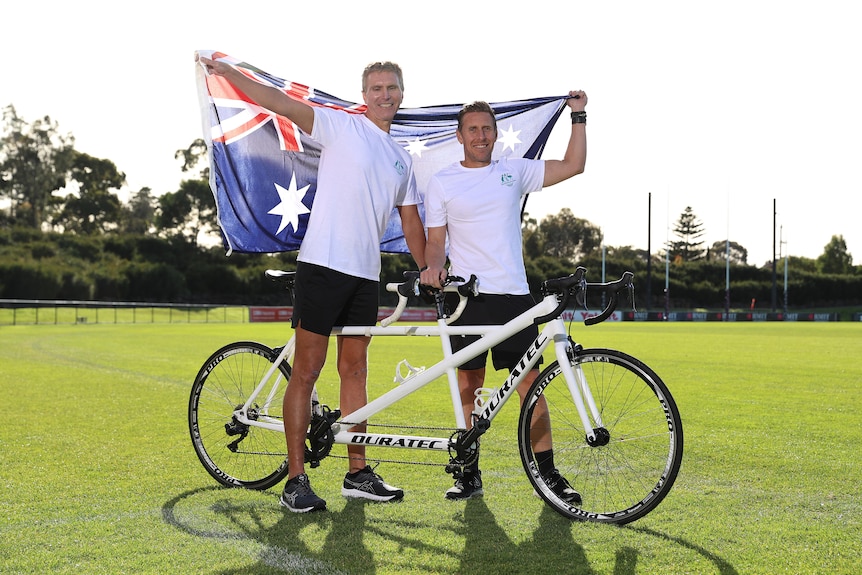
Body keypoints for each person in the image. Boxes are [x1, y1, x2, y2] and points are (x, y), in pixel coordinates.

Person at [199, 55, 427, 512]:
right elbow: (280, 103)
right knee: (307, 370)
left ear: (402, 93)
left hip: (366, 274)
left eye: (392, 88)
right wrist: (231, 75)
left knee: (356, 372)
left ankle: (357, 472)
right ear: (365, 95)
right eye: (377, 88)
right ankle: (295, 480)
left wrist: (431, 270)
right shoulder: (342, 127)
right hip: (322, 265)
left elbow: (410, 220)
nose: (385, 95)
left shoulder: (402, 159)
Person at [419, 93, 588, 501]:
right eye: (472, 129)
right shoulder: (442, 182)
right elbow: (435, 242)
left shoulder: (513, 171)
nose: (481, 135)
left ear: (496, 134)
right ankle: (468, 471)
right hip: (468, 299)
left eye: (487, 129)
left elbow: (573, 165)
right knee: (469, 386)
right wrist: (432, 267)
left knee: (532, 386)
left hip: (515, 297)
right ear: (459, 135)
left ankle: (549, 476)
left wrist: (579, 116)